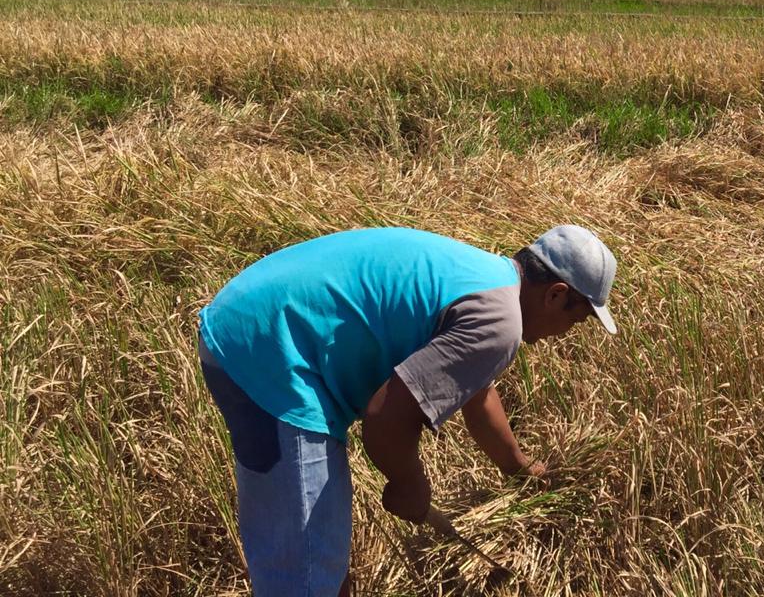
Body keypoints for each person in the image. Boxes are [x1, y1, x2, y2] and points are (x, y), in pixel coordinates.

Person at [197, 224, 618, 597]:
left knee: (314, 559)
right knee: (306, 577)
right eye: (576, 321)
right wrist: (409, 482)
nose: (565, 334)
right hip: (273, 354)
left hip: (246, 323)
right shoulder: (501, 322)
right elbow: (384, 418)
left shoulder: (486, 276)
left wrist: (519, 469)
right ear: (556, 294)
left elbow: (479, 398)